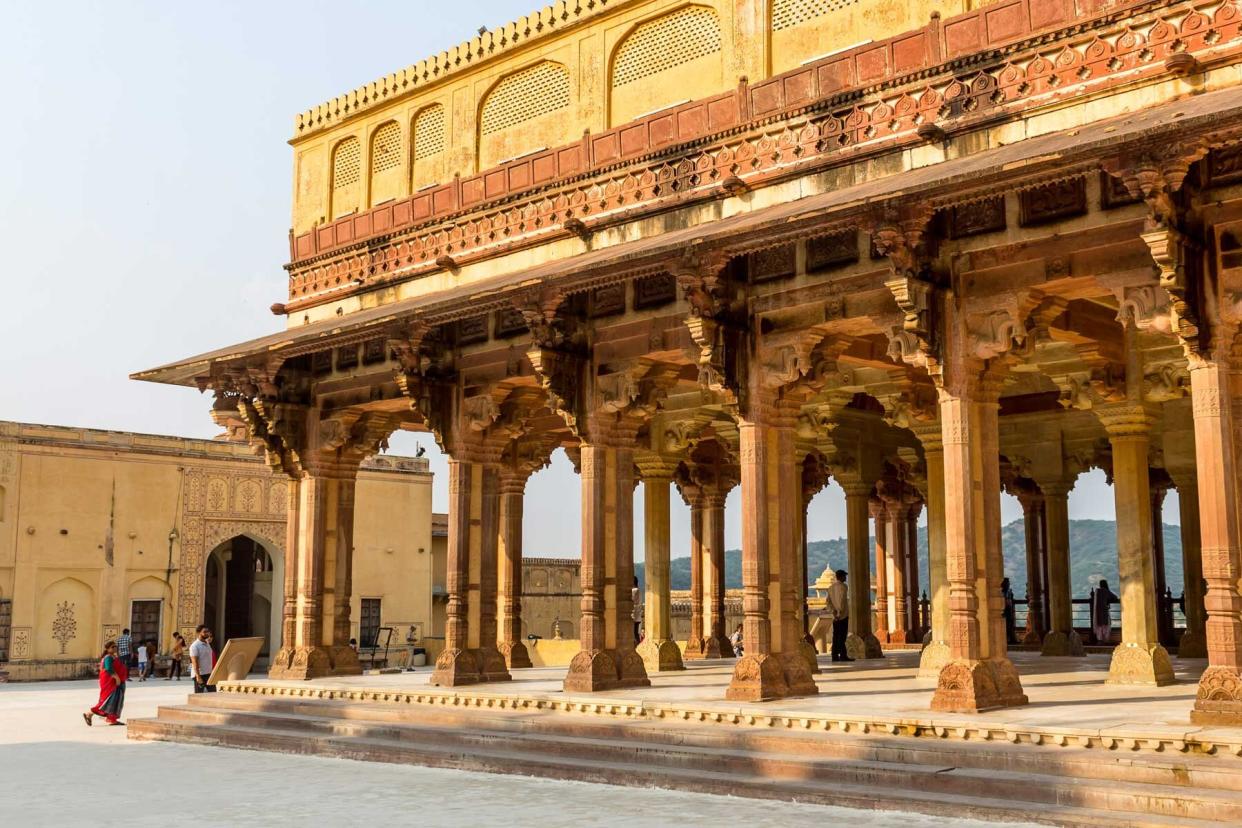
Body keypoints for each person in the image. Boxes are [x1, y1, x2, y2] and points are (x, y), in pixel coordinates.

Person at [83, 641, 127, 726]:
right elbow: (108, 668)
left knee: (116, 699)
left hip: (116, 681)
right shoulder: (108, 657)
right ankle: (89, 713)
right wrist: (116, 678)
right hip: (111, 682)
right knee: (107, 700)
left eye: (115, 647)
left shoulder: (113, 656)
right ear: (107, 649)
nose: (114, 648)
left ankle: (112, 719)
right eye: (112, 647)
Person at [826, 569, 853, 662]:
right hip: (842, 615)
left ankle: (834, 655)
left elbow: (828, 602)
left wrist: (833, 612)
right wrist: (839, 612)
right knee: (842, 636)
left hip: (835, 616)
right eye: (844, 576)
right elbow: (841, 600)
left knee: (835, 636)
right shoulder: (844, 587)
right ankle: (842, 655)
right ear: (841, 577)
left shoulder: (830, 588)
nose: (845, 578)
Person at [189, 625, 215, 693]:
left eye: (208, 632)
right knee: (199, 696)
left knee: (213, 694)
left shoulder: (207, 644)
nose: (207, 633)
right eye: (205, 632)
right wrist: (198, 676)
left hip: (209, 674)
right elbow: (194, 662)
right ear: (198, 633)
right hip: (200, 674)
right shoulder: (195, 646)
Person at [1092, 579, 1118, 645]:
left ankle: (1099, 640)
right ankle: (1104, 639)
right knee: (1105, 624)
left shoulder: (1097, 591)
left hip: (1097, 611)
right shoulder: (1106, 591)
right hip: (1104, 611)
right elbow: (1115, 597)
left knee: (1099, 625)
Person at [1001, 578, 1017, 645]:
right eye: (1008, 583)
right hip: (1005, 610)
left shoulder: (1008, 592)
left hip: (1008, 610)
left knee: (1009, 624)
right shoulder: (1003, 592)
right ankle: (1008, 639)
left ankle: (1010, 639)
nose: (1008, 584)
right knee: (1007, 625)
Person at [631, 576, 643, 644]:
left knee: (634, 633)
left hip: (634, 615)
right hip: (637, 616)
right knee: (636, 632)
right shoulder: (638, 590)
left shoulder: (634, 590)